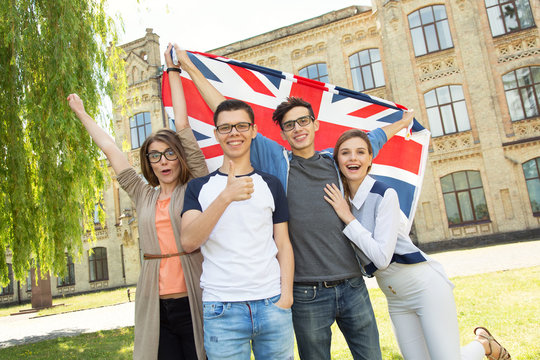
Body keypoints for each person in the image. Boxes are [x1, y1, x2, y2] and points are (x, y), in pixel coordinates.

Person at [178, 49, 414, 359]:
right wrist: (190, 67)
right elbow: (228, 115)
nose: (298, 128)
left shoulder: (339, 160)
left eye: (303, 121)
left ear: (315, 125)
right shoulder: (278, 163)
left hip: (352, 284)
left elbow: (373, 137)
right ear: (282, 133)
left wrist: (405, 121)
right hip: (306, 291)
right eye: (290, 125)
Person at [67, 43, 208, 360]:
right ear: (149, 163)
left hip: (193, 296)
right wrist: (83, 114)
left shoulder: (195, 186)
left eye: (170, 153)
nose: (163, 161)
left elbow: (182, 126)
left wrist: (173, 71)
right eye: (155, 156)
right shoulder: (144, 193)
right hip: (155, 302)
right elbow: (112, 150)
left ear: (180, 157)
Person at [323, 129, 512, 360]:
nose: (353, 158)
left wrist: (347, 218)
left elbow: (382, 259)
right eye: (345, 153)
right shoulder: (343, 200)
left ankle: (483, 345)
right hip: (395, 297)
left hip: (425, 287)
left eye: (360, 152)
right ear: (337, 160)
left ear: (370, 159)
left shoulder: (384, 194)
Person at [180, 99, 295, 360]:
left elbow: (284, 244)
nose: (234, 133)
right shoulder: (199, 188)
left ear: (254, 130)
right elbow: (189, 242)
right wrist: (226, 197)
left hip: (272, 304)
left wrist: (285, 296)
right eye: (226, 127)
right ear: (216, 134)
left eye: (242, 126)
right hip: (222, 309)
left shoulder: (271, 184)